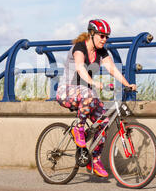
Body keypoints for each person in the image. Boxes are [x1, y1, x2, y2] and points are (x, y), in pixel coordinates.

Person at [56, 19, 137, 177]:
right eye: (101, 36)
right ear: (91, 34)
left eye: (107, 37)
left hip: (85, 94)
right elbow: (79, 67)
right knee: (88, 93)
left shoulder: (101, 52)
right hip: (66, 91)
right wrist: (93, 82)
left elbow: (112, 68)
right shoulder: (79, 47)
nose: (104, 39)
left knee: (104, 121)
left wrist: (128, 84)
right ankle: (78, 128)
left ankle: (95, 159)